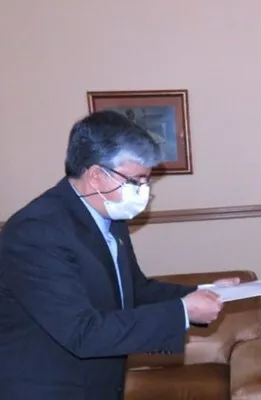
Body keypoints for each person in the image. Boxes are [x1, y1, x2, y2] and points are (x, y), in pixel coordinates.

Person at [0, 110, 237, 399]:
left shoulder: (109, 216)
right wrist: (183, 312)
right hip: (48, 388)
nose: (143, 191)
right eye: (136, 180)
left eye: (147, 181)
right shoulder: (37, 231)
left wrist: (205, 292)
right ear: (96, 176)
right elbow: (82, 332)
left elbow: (134, 290)